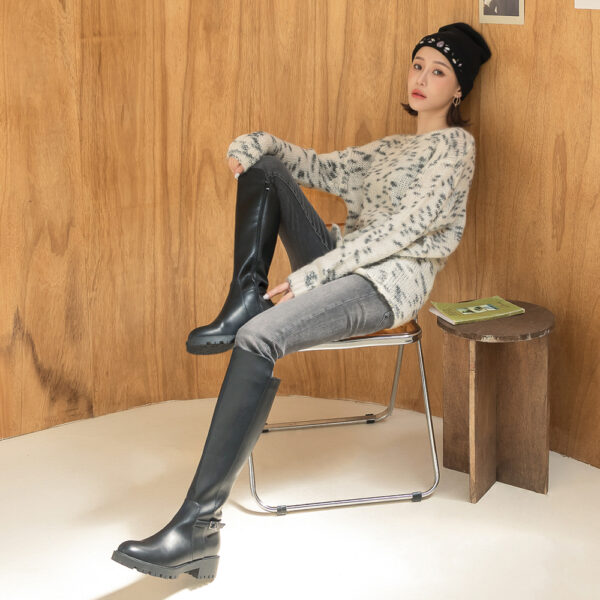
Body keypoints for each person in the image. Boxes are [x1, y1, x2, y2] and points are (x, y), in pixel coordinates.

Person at [111, 22, 491, 582]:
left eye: (439, 72)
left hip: (385, 285)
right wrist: (259, 143)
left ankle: (198, 528)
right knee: (267, 171)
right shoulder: (390, 148)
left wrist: (316, 274)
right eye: (418, 65)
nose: (422, 79)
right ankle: (245, 296)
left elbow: (403, 232)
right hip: (340, 262)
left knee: (258, 338)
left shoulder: (456, 148)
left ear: (458, 90)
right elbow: (315, 167)